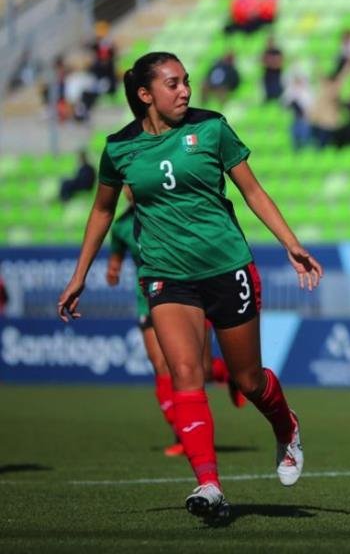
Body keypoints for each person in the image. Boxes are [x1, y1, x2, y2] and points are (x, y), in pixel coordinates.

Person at [57, 51, 323, 522]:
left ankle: (286, 425)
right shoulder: (119, 148)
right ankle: (209, 485)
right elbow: (102, 211)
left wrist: (291, 243)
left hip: (226, 267)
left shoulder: (213, 127)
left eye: (186, 82)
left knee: (248, 380)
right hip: (166, 275)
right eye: (173, 84)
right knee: (185, 372)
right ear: (145, 95)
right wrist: (80, 275)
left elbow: (252, 190)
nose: (185, 91)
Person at [105, 187, 246, 457]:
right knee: (163, 366)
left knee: (199, 370)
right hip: (149, 300)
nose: (130, 190)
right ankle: (183, 432)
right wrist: (113, 270)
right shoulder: (122, 227)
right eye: (125, 185)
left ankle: (226, 373)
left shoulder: (170, 212)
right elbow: (116, 259)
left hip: (188, 296)